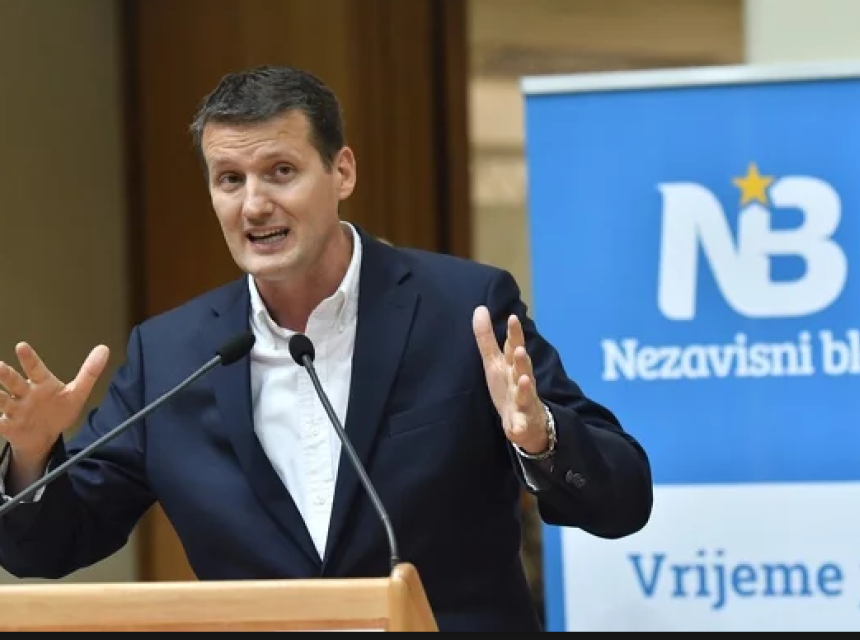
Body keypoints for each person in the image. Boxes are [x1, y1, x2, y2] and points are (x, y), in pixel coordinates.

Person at [0, 65, 652, 632]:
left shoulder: (462, 311)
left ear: (342, 171)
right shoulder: (170, 356)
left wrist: (540, 438)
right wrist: (30, 457)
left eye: (280, 172)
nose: (254, 205)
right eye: (229, 179)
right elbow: (47, 546)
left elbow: (624, 498)